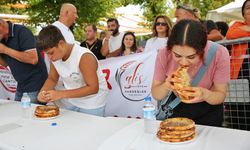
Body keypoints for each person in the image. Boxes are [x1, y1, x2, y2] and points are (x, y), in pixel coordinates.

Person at [152, 20, 230, 126]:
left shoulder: (219, 53)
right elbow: (156, 94)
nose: (183, 62)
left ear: (203, 49)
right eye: (177, 56)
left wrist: (204, 94)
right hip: (178, 108)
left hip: (210, 108)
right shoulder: (164, 54)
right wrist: (167, 85)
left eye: (191, 57)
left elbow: (220, 94)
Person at [36, 25, 108, 117]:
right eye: (47, 54)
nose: (49, 57)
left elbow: (93, 88)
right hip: (72, 99)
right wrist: (43, 92)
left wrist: (60, 94)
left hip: (92, 102)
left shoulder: (84, 56)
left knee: (90, 131)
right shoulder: (55, 57)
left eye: (51, 53)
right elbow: (52, 79)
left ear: (61, 44)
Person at [0, 18, 48, 103]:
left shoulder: (22, 31)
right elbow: (5, 64)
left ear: (1, 25)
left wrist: (5, 50)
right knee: (18, 113)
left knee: (31, 114)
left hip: (35, 84)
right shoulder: (2, 39)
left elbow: (33, 59)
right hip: (21, 85)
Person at [226, 0, 250, 79]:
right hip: (242, 72)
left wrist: (245, 30)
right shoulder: (237, 24)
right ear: (243, 13)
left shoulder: (239, 28)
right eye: (248, 8)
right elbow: (230, 34)